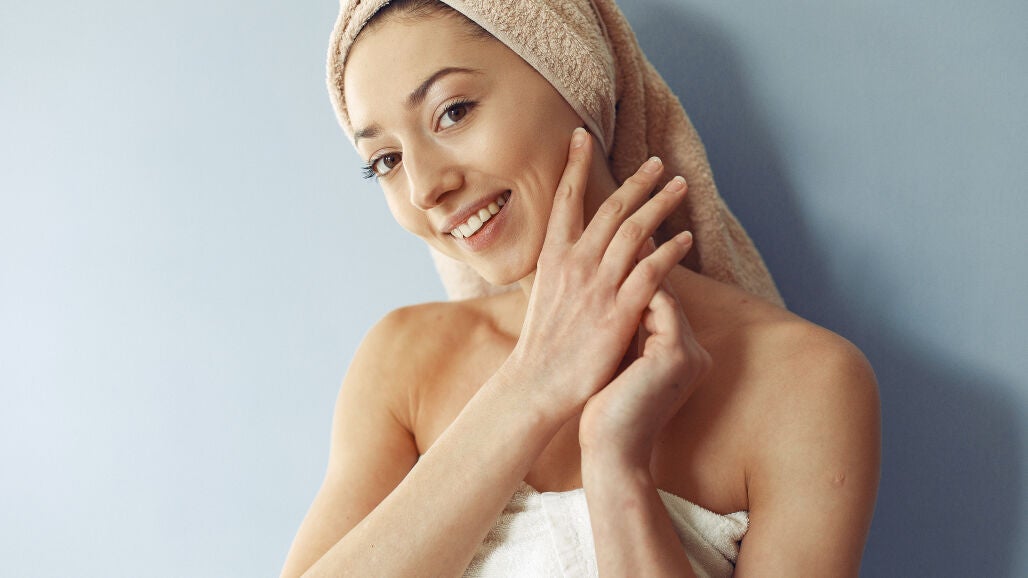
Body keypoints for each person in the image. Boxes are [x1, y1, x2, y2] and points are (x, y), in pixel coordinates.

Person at [281, 0, 880, 576]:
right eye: (385, 160)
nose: (423, 188)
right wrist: (532, 384)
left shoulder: (805, 382)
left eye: (453, 111)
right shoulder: (403, 366)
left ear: (571, 72)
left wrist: (616, 464)